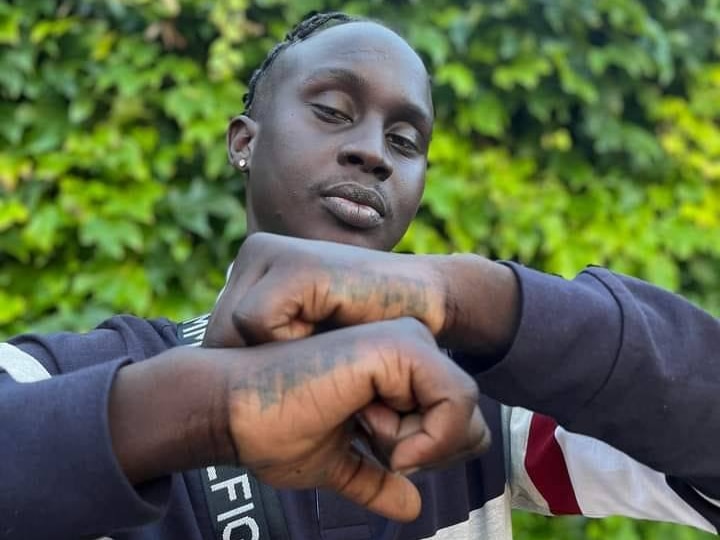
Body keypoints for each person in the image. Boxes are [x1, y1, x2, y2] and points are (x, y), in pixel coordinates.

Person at [2, 10, 719, 540]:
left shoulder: (479, 407)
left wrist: (473, 295)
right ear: (243, 142)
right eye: (332, 111)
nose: (373, 153)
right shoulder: (87, 375)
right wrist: (206, 410)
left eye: (405, 141)